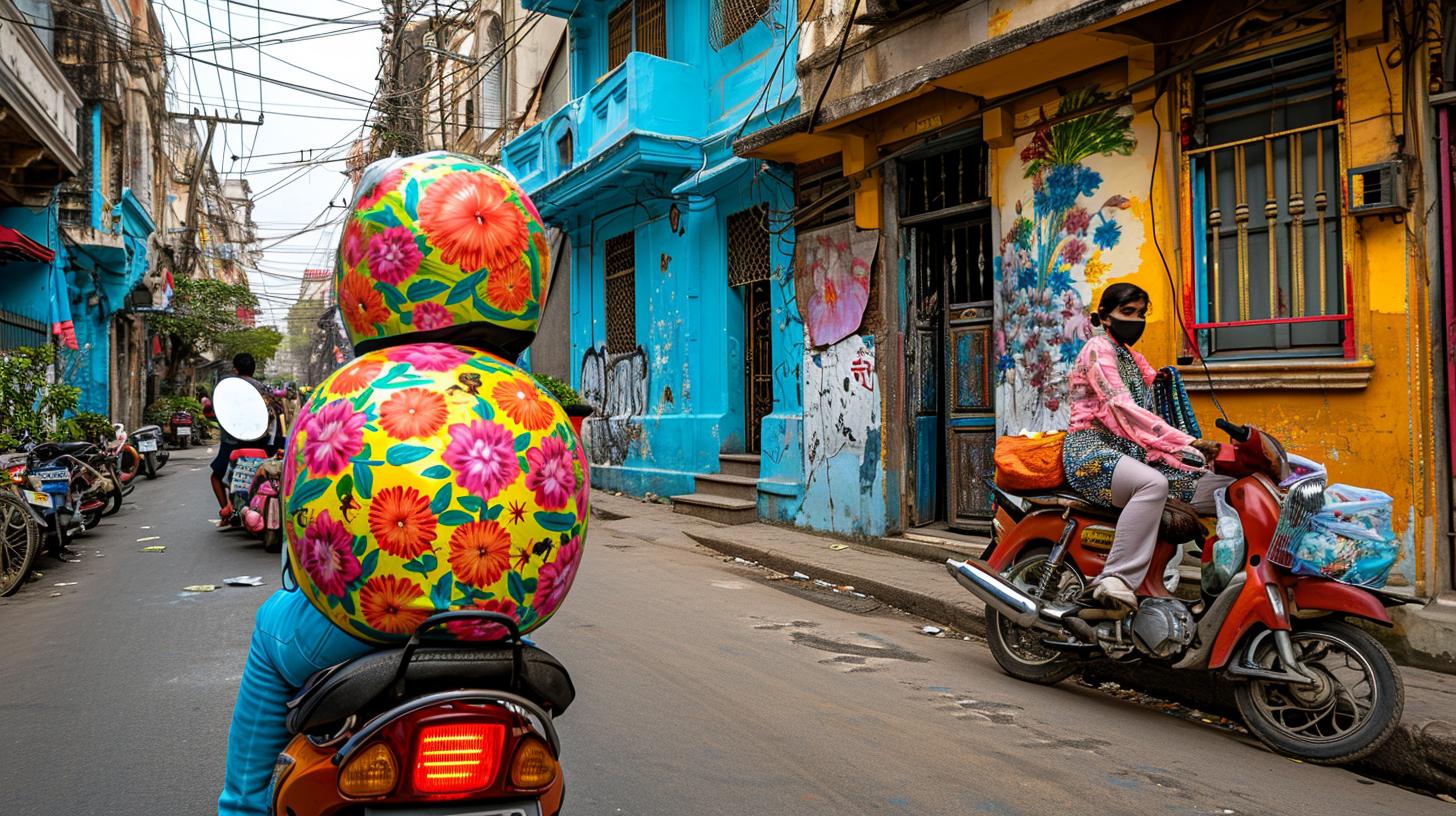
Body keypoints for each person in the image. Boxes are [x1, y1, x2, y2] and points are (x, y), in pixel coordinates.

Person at [1062, 283, 1217, 609]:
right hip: (1091, 450)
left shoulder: (1132, 356)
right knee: (1153, 483)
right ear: (1104, 316)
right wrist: (1187, 442)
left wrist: (1193, 452)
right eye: (1128, 312)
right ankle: (1115, 578)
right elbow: (1123, 407)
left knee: (1215, 484)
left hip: (1131, 452)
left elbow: (1152, 392)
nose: (1136, 320)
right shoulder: (1097, 350)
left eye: (1141, 314)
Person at [210, 353, 285, 527]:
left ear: (235, 369)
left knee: (216, 476)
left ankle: (226, 512)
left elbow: (221, 413)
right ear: (253, 369)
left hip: (232, 443)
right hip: (263, 443)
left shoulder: (228, 388)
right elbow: (277, 415)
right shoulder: (265, 390)